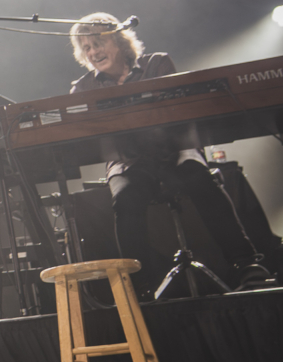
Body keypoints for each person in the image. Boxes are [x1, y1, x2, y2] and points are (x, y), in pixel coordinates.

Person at [68, 15, 273, 295]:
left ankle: (247, 266)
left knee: (202, 180)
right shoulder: (83, 88)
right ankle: (136, 287)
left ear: (118, 39)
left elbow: (176, 113)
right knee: (126, 198)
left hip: (174, 149)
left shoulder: (157, 63)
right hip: (128, 160)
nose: (93, 52)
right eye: (86, 47)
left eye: (98, 42)